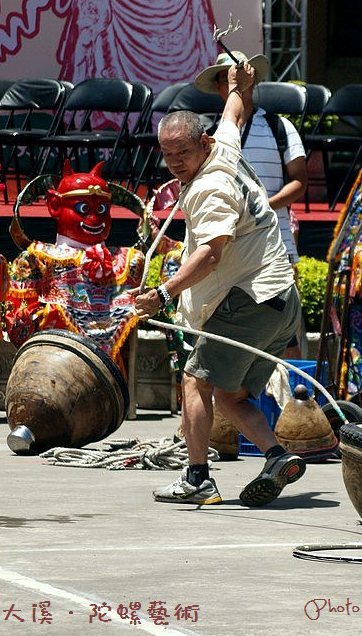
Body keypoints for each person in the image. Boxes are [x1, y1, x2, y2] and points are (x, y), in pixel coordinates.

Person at [131, 61, 305, 507]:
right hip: (280, 298)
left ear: (202, 145)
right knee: (230, 394)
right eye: (168, 156)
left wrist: (163, 293)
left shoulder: (212, 188)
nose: (175, 165)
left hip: (251, 301)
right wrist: (236, 86)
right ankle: (276, 456)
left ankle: (198, 478)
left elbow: (211, 254)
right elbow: (234, 116)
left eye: (182, 155)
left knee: (194, 382)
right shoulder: (222, 146)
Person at [195, 50, 307, 357]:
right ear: (220, 86)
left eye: (239, 75)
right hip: (225, 248)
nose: (233, 82)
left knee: (285, 339)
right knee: (221, 336)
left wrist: (260, 209)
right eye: (225, 78)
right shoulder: (208, 136)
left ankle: (286, 404)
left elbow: (299, 180)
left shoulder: (280, 127)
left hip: (276, 244)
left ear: (251, 79)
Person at [6, 161, 144, 372]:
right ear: (55, 206)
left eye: (102, 209)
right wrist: (46, 315)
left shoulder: (129, 261)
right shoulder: (36, 259)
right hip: (51, 367)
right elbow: (18, 328)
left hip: (111, 375)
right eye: (84, 208)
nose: (94, 218)